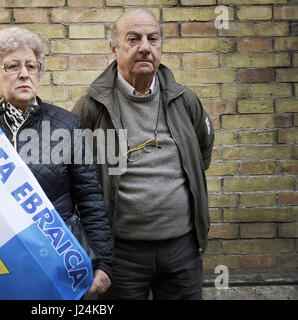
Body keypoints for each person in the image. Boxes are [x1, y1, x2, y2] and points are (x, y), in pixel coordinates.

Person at [72, 9, 214, 300]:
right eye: (133, 39)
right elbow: (77, 177)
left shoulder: (184, 101)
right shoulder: (91, 107)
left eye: (153, 38)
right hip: (120, 254)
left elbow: (201, 153)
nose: (145, 47)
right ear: (114, 49)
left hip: (182, 250)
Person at [0, 27, 112, 297]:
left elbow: (90, 198)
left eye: (32, 65)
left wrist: (102, 263)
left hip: (57, 263)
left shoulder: (67, 126)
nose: (24, 73)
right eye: (12, 65)